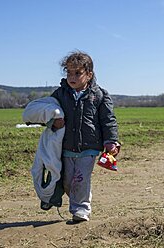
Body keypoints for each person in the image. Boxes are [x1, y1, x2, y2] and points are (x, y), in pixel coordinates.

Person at [50, 50, 119, 222]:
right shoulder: (60, 94)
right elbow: (47, 111)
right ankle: (76, 201)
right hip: (66, 146)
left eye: (77, 73)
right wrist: (53, 122)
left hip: (89, 147)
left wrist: (111, 141)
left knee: (81, 179)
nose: (72, 76)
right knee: (67, 181)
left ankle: (81, 210)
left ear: (89, 74)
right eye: (69, 72)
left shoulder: (100, 95)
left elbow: (108, 120)